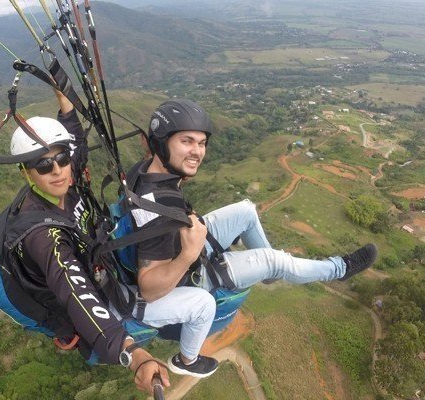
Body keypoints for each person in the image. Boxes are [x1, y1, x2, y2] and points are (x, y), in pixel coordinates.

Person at [127, 98, 378, 378]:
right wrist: (188, 254)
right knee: (273, 259)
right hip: (190, 274)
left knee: (246, 210)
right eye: (187, 141)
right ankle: (337, 269)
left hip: (187, 242)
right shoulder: (158, 211)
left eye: (201, 143)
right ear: (162, 143)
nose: (197, 152)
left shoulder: (147, 171)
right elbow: (149, 288)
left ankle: (271, 271)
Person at [9, 89, 169, 395]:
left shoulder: (68, 181)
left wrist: (63, 97)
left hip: (102, 261)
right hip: (98, 302)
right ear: (25, 172)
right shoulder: (42, 234)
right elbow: (75, 292)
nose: (56, 170)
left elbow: (76, 143)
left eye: (60, 159)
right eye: (43, 166)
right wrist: (132, 355)